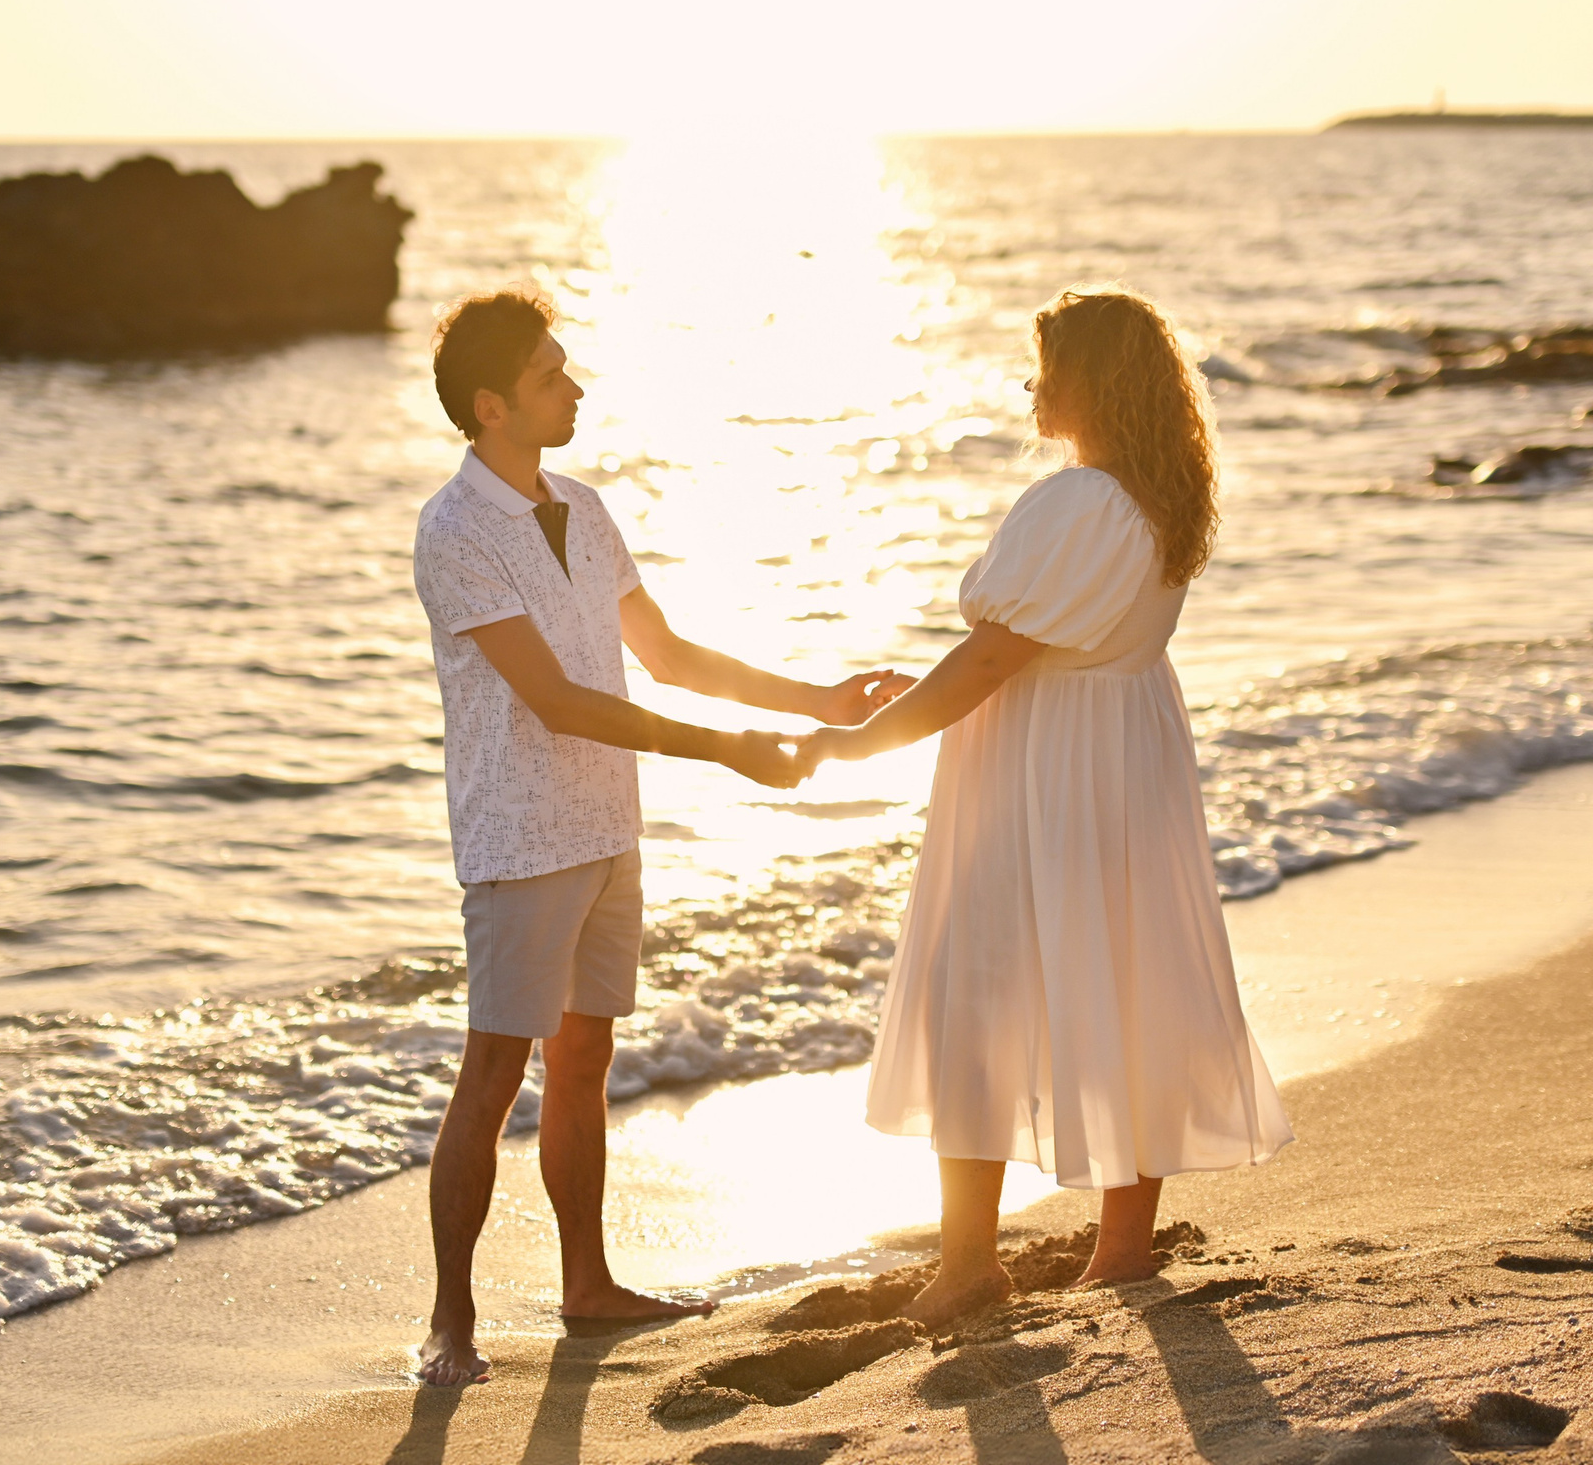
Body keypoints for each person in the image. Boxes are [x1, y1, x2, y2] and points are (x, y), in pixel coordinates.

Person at [409, 289, 912, 1386]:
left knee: (584, 1059)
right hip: (518, 835)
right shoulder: (453, 532)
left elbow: (667, 654)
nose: (575, 386)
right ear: (491, 405)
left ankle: (586, 1284)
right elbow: (557, 700)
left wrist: (815, 699)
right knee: (492, 1071)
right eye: (551, 375)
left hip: (606, 824)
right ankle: (449, 1318)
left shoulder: (582, 506)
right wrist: (729, 751)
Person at [799, 287, 1292, 1329]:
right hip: (1124, 751)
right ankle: (1120, 1249)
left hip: (1042, 763)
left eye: (1046, 366)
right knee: (1126, 977)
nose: (1031, 385)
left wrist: (862, 739)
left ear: (1092, 384)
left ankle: (970, 1259)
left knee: (978, 985)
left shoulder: (1075, 502)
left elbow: (990, 655)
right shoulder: (1159, 500)